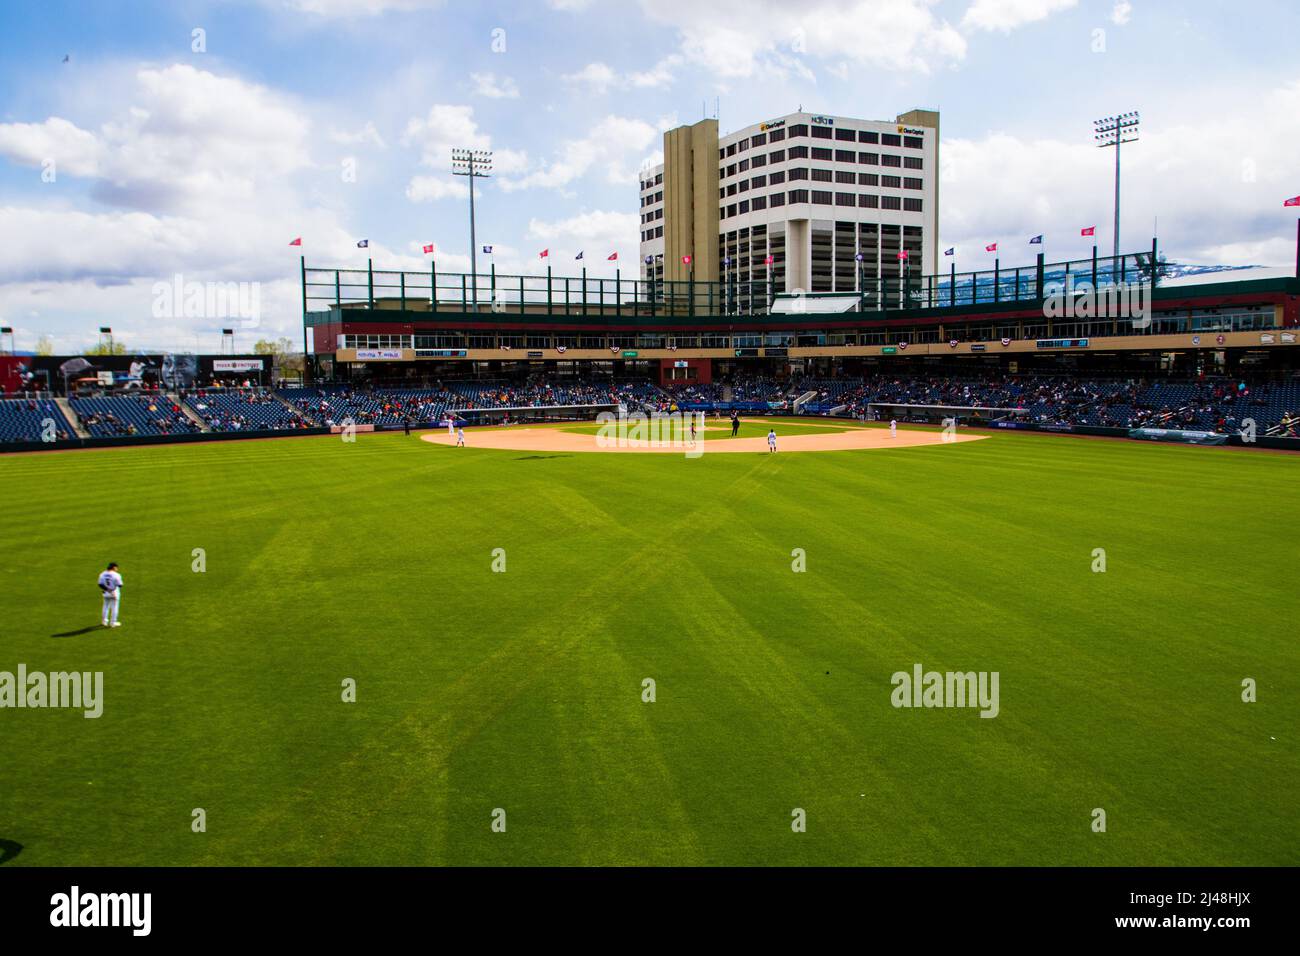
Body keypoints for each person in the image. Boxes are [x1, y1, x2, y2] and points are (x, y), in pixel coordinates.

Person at [98, 562, 123, 628]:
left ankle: (104, 621)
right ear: (114, 567)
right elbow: (120, 585)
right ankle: (113, 623)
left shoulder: (102, 574)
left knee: (105, 606)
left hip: (105, 592)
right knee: (114, 607)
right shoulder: (116, 575)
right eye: (117, 568)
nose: (117, 569)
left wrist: (107, 589)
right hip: (114, 592)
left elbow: (100, 584)